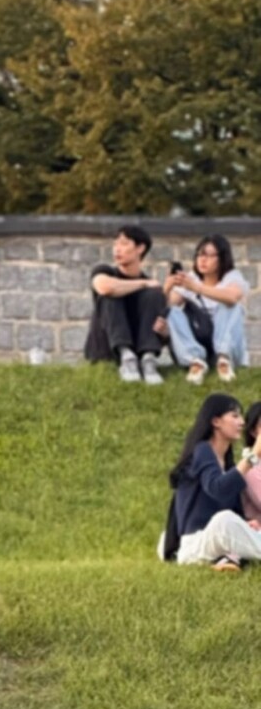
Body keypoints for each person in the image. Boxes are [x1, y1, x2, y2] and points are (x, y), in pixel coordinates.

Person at [162, 393, 261, 570]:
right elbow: (218, 489)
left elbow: (230, 504)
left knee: (234, 522)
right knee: (224, 521)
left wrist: (245, 522)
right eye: (235, 416)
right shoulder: (202, 450)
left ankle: (227, 561)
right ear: (216, 421)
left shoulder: (227, 463)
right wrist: (254, 455)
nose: (241, 422)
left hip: (214, 543)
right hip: (195, 544)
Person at [163, 235, 249, 385]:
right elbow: (167, 306)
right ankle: (195, 362)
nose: (203, 260)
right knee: (173, 312)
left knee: (229, 305)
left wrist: (197, 288)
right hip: (200, 342)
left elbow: (233, 297)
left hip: (227, 346)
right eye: (200, 255)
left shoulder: (232, 277)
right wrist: (167, 287)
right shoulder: (191, 279)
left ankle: (223, 360)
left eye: (209, 255)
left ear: (222, 258)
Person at [85, 225, 166, 384]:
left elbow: (162, 332)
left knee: (155, 293)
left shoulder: (151, 290)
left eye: (123, 244)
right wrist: (143, 283)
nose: (117, 249)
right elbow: (105, 287)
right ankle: (125, 355)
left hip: (139, 350)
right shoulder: (104, 271)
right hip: (106, 350)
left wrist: (165, 332)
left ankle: (148, 359)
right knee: (110, 295)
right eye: (115, 244)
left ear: (140, 248)